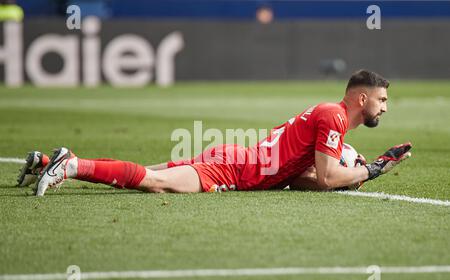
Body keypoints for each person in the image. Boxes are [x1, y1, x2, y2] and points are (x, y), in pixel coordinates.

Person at [18, 70, 412, 196]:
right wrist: (371, 169)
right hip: (232, 169)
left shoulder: (328, 118)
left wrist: (351, 176)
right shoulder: (334, 119)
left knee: (143, 173)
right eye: (382, 99)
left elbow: (304, 180)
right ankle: (68, 166)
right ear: (361, 98)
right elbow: (327, 178)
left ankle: (54, 161)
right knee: (155, 182)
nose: (385, 107)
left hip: (235, 158)